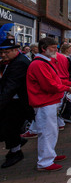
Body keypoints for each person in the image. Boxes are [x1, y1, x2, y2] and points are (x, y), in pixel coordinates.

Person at [26, 38, 71, 171]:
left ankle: (50, 155)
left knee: (52, 131)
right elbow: (49, 85)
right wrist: (68, 88)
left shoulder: (46, 62)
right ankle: (44, 162)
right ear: (44, 48)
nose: (56, 50)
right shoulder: (39, 64)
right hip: (44, 102)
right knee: (47, 132)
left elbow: (56, 80)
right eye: (53, 47)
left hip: (49, 101)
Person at [0, 29, 34, 168]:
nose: (3, 55)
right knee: (8, 127)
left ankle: (16, 152)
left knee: (10, 127)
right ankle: (16, 145)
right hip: (13, 101)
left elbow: (10, 87)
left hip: (18, 103)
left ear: (16, 50)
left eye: (6, 52)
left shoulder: (19, 63)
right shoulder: (11, 61)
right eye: (1, 53)